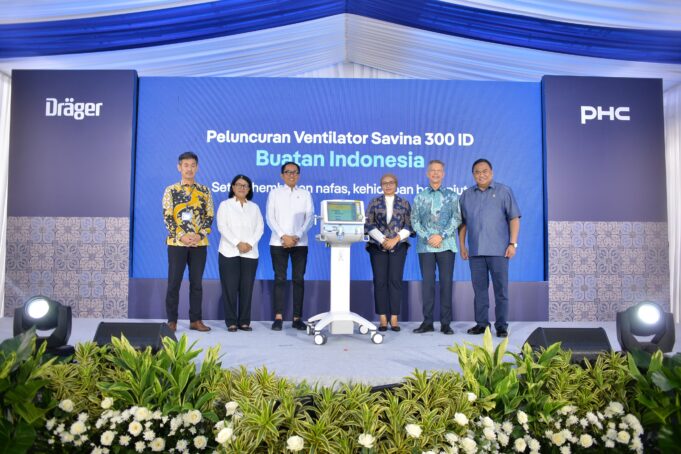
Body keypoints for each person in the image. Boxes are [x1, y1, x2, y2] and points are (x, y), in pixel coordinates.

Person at [459, 158, 520, 338]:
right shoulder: (466, 195)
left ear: (491, 173)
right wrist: (462, 246)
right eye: (477, 172)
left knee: (501, 291)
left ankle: (501, 326)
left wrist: (513, 243)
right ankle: (481, 324)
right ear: (473, 175)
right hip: (476, 252)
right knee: (479, 292)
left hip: (499, 251)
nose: (481, 175)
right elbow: (462, 224)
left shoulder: (504, 191)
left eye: (484, 171)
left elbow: (514, 218)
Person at [162, 151, 214, 332]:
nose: (189, 169)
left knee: (196, 284)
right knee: (174, 283)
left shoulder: (205, 191)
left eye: (192, 165)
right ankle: (172, 321)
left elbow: (209, 216)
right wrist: (182, 236)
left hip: (199, 244)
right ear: (179, 167)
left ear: (197, 168)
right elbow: (167, 216)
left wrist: (199, 235)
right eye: (186, 165)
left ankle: (196, 320)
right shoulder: (171, 190)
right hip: (177, 243)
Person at [412, 160, 461, 335]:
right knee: (428, 285)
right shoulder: (420, 197)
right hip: (425, 247)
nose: (435, 173)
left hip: (446, 245)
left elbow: (456, 218)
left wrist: (441, 236)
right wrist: (428, 237)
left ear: (443, 174)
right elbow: (414, 221)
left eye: (439, 170)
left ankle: (446, 323)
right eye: (432, 170)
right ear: (427, 173)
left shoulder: (452, 196)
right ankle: (427, 322)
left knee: (446, 284)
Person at [266, 161, 314, 331]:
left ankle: (297, 318)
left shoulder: (305, 194)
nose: (291, 175)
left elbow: (309, 218)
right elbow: (270, 217)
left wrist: (297, 236)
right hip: (278, 242)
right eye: (288, 172)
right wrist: (283, 236)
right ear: (282, 175)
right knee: (280, 278)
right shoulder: (274, 193)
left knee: (298, 279)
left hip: (300, 243)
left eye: (295, 172)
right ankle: (278, 317)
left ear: (298, 175)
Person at [365, 173, 413, 332]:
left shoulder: (404, 203)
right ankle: (382, 318)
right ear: (381, 186)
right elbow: (368, 224)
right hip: (377, 247)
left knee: (395, 281)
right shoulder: (374, 202)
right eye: (384, 183)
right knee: (380, 281)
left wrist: (395, 240)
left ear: (396, 184)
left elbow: (409, 226)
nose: (388, 185)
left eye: (391, 182)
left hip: (399, 246)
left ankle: (394, 317)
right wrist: (382, 240)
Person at [217, 174, 264, 332]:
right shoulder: (225, 205)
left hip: (250, 253)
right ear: (233, 187)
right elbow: (222, 227)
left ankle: (244, 321)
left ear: (249, 189)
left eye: (245, 185)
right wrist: (238, 243)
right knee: (229, 288)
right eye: (239, 185)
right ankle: (231, 321)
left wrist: (249, 243)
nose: (242, 188)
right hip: (229, 252)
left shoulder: (254, 207)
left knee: (246, 288)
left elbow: (260, 228)